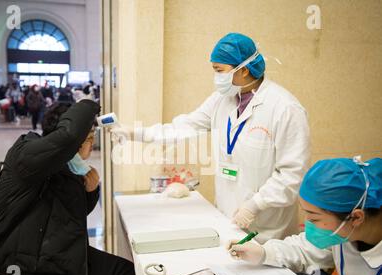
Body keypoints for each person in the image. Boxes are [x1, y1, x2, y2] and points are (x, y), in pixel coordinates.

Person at [112, 33, 311, 243]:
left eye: (219, 70)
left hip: (268, 230)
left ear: (243, 70)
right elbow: (184, 127)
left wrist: (255, 205)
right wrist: (136, 133)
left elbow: (293, 174)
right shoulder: (222, 100)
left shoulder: (285, 109)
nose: (216, 77)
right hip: (227, 219)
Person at [0, 96, 136, 275]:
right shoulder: (26, 156)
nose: (90, 145)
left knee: (125, 274)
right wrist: (90, 104)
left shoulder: (70, 167)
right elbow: (69, 135)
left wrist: (90, 190)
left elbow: (71, 214)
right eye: (88, 138)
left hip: (56, 257)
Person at [228, 156, 382, 275]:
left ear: (356, 217)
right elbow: (305, 248)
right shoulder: (344, 231)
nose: (308, 223)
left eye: (314, 218)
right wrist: (263, 252)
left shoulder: (345, 228)